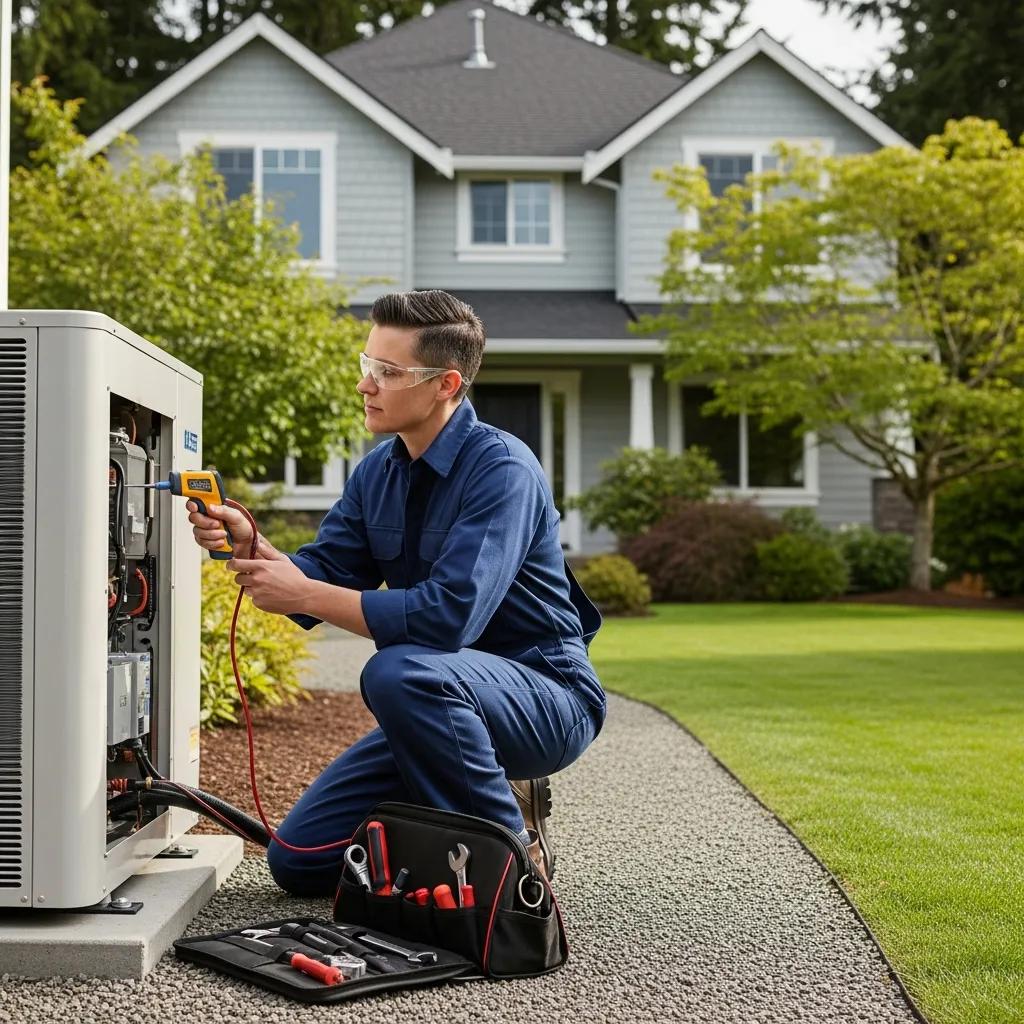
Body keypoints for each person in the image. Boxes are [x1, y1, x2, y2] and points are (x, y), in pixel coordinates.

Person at [187, 289, 607, 897]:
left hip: (544, 696)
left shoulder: (503, 469)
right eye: (367, 365)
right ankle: (454, 806)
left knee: (398, 669)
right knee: (299, 860)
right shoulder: (376, 472)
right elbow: (326, 570)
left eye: (387, 372)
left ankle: (513, 862)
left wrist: (306, 594)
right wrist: (255, 547)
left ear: (445, 384)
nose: (365, 385)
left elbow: (448, 618)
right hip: (436, 705)